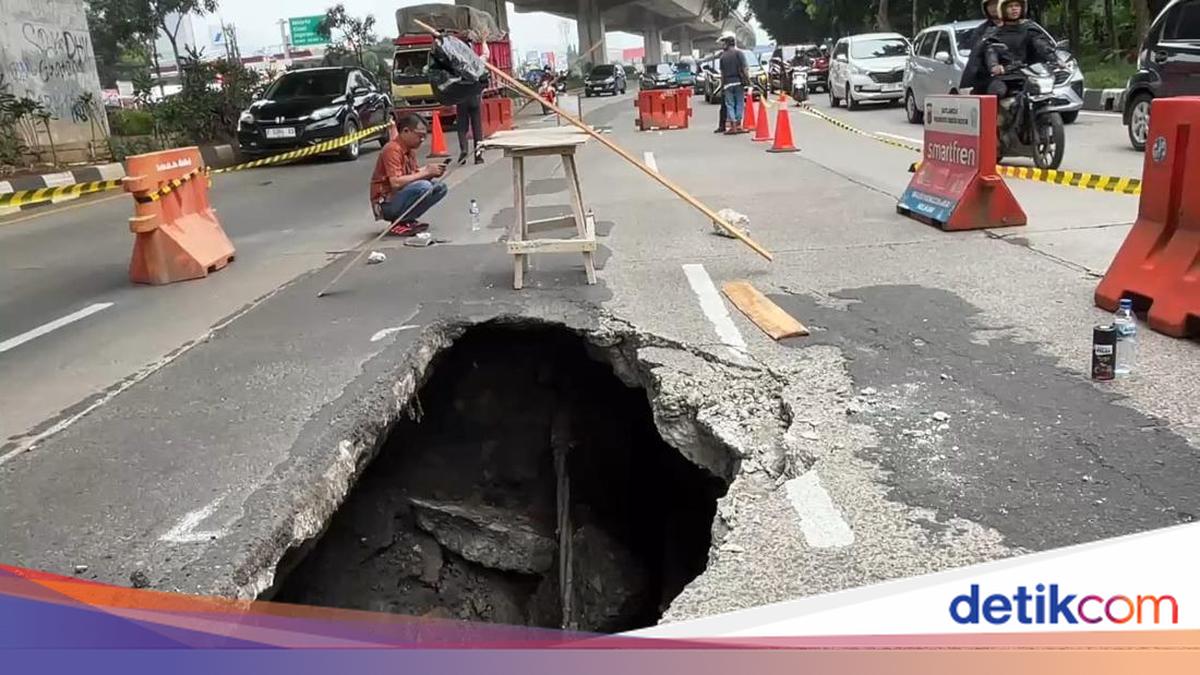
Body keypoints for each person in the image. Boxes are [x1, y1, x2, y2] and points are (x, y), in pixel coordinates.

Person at [370, 113, 449, 237]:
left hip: (399, 195)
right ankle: (399, 222)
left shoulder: (409, 150)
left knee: (440, 187)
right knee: (424, 186)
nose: (422, 140)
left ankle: (407, 220)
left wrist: (431, 172)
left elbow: (413, 175)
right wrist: (426, 172)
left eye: (424, 136)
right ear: (406, 131)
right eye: (419, 136)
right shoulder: (392, 149)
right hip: (386, 202)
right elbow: (395, 182)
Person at [982, 0, 1058, 98]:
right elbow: (991, 50)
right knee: (997, 92)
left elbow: (1041, 45)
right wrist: (994, 65)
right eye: (1010, 6)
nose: (1014, 8)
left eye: (1017, 5)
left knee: (1052, 90)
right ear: (1002, 9)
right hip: (1005, 76)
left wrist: (1055, 59)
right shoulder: (995, 33)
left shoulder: (1029, 29)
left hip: (1030, 74)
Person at [959, 0, 1005, 95]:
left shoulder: (1025, 27)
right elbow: (977, 55)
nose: (994, 8)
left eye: (996, 3)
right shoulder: (982, 31)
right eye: (990, 5)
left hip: (1019, 75)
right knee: (997, 90)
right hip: (987, 78)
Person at [718, 32, 749, 134]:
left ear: (727, 43)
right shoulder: (739, 53)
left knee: (730, 104)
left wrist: (722, 85)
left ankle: (733, 126)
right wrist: (748, 80)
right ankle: (739, 125)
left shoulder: (723, 56)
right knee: (739, 103)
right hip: (738, 81)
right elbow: (745, 68)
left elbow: (722, 73)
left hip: (727, 83)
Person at [456, 91, 484, 165]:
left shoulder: (457, 78)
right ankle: (478, 156)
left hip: (461, 99)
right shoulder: (475, 78)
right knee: (477, 128)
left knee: (462, 127)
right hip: (474, 98)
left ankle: (464, 149)